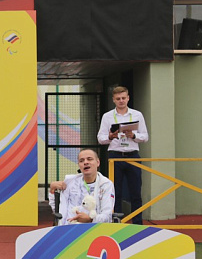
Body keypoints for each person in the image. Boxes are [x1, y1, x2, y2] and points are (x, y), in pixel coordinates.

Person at [97, 86, 149, 224]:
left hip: (132, 155)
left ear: (128, 98)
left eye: (123, 98)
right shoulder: (107, 116)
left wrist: (134, 135)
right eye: (118, 98)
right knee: (115, 191)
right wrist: (110, 136)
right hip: (115, 155)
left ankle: (137, 223)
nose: (121, 101)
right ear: (113, 100)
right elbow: (100, 138)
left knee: (135, 191)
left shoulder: (137, 115)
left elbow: (145, 136)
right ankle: (117, 222)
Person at [49, 148, 115, 225]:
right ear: (79, 165)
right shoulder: (69, 182)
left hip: (94, 228)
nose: (85, 162)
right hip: (68, 228)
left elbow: (107, 216)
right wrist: (52, 190)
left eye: (89, 159)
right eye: (81, 161)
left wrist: (90, 219)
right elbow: (58, 210)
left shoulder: (106, 184)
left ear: (98, 162)